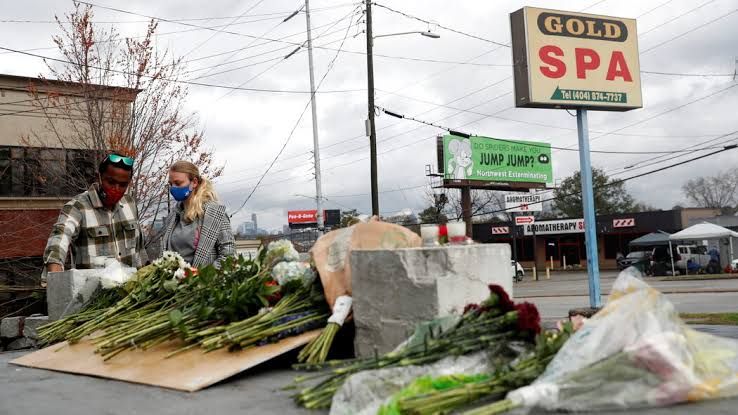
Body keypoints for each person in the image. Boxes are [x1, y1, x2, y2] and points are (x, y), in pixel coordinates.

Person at [43, 153, 148, 277]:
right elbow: (58, 241)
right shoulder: (77, 207)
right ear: (98, 177)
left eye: (123, 185)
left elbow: (140, 251)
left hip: (131, 291)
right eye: (111, 182)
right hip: (93, 292)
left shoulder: (130, 204)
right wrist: (55, 277)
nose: (116, 189)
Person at [161, 160, 234, 267]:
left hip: (204, 281)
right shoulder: (173, 216)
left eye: (178, 183)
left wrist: (202, 276)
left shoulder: (215, 213)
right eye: (171, 184)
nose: (173, 188)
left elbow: (229, 255)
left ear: (194, 182)